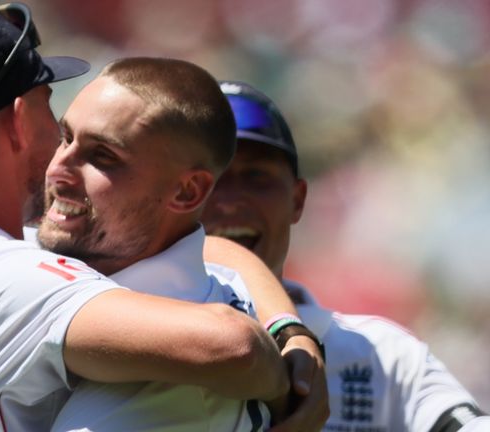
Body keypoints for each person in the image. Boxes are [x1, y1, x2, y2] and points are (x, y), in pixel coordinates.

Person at [0, 5, 327, 431]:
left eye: (102, 154)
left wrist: (289, 327)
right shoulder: (8, 282)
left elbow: (217, 253)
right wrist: (291, 386)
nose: (62, 163)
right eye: (58, 124)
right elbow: (231, 348)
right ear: (19, 122)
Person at [201, 80, 489, 431]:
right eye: (210, 180)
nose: (230, 200)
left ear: (298, 200)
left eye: (256, 177)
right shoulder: (121, 328)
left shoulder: (380, 354)